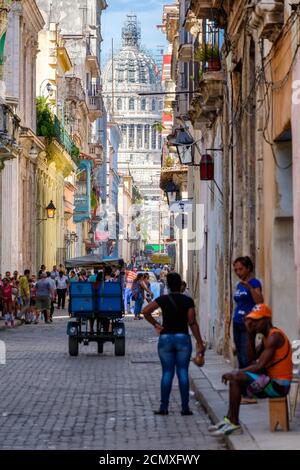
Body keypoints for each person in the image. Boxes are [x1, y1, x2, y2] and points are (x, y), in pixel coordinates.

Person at [209, 304, 292, 436]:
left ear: (266, 320)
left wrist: (236, 372)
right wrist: (250, 335)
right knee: (235, 381)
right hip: (270, 383)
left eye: (257, 320)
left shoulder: (274, 337)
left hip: (279, 386)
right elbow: (252, 358)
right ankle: (230, 420)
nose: (254, 323)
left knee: (236, 377)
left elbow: (258, 367)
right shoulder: (266, 337)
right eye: (252, 320)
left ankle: (234, 424)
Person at [142, 272, 205, 415]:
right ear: (180, 284)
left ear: (168, 285)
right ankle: (185, 407)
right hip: (183, 338)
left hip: (166, 339)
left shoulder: (163, 299)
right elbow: (192, 322)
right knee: (183, 372)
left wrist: (156, 324)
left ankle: (164, 407)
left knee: (167, 372)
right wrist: (200, 342)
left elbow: (145, 311)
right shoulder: (188, 301)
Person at [233, 257, 263, 369]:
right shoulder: (239, 285)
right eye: (236, 270)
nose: (238, 272)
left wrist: (250, 287)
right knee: (240, 356)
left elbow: (259, 301)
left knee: (247, 357)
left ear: (248, 268)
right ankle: (241, 383)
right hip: (237, 322)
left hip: (248, 324)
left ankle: (249, 383)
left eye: (240, 269)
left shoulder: (254, 283)